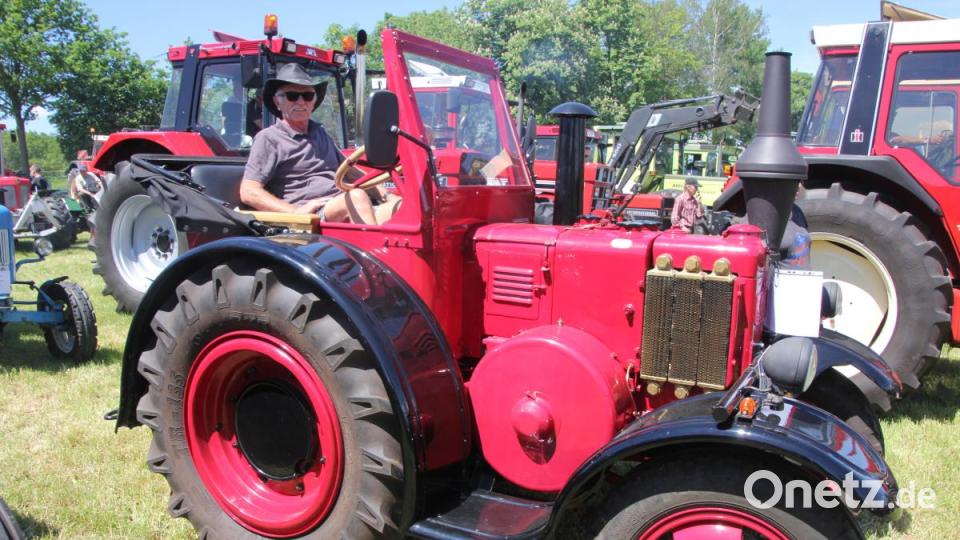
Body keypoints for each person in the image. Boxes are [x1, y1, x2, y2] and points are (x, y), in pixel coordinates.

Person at [240, 63, 400, 225]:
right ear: (277, 102)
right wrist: (293, 211)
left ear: (314, 101)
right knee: (356, 197)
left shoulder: (320, 132)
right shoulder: (268, 138)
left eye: (308, 96)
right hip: (312, 217)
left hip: (344, 203)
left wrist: (386, 195)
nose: (301, 102)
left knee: (403, 206)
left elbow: (350, 171)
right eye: (292, 96)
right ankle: (372, 248)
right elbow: (248, 191)